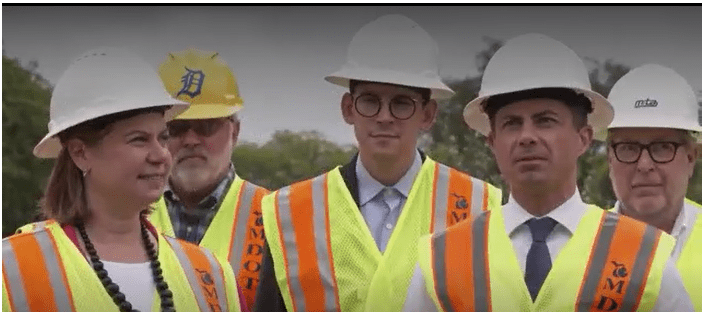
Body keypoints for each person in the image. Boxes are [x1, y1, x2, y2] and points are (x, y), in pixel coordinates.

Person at [403, 33, 693, 311]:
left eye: (545, 121)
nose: (527, 136)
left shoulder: (645, 255)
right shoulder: (441, 259)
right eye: (512, 124)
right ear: (492, 142)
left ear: (584, 138)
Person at [253, 14, 502, 312]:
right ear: (348, 109)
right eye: (370, 101)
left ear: (427, 114)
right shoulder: (292, 212)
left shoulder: (477, 206)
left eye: (401, 103)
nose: (384, 116)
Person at [2, 47, 245, 312]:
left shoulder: (212, 275)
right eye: (139, 139)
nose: (161, 155)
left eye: (163, 137)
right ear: (80, 153)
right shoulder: (12, 270)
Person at [149, 48, 269, 310]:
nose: (192, 140)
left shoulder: (278, 217)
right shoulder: (120, 213)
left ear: (235, 132)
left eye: (206, 126)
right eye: (176, 128)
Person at [600, 64, 702, 311]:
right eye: (628, 148)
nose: (644, 165)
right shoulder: (580, 248)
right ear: (610, 159)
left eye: (662, 147)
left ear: (692, 157)